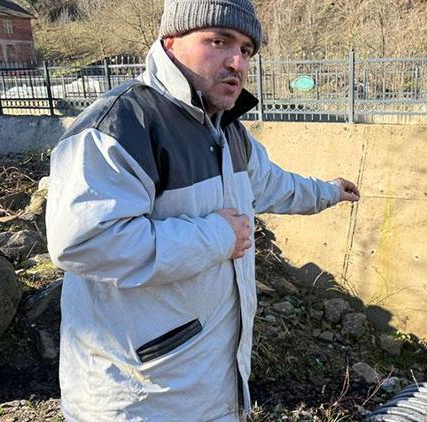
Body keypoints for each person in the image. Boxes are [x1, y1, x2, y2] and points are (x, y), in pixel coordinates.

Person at [45, 0, 360, 420]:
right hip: (140, 398)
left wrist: (329, 192)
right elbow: (85, 241)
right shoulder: (120, 125)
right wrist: (218, 236)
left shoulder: (229, 131)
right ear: (171, 43)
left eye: (247, 50)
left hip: (210, 386)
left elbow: (274, 185)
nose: (237, 62)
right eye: (219, 41)